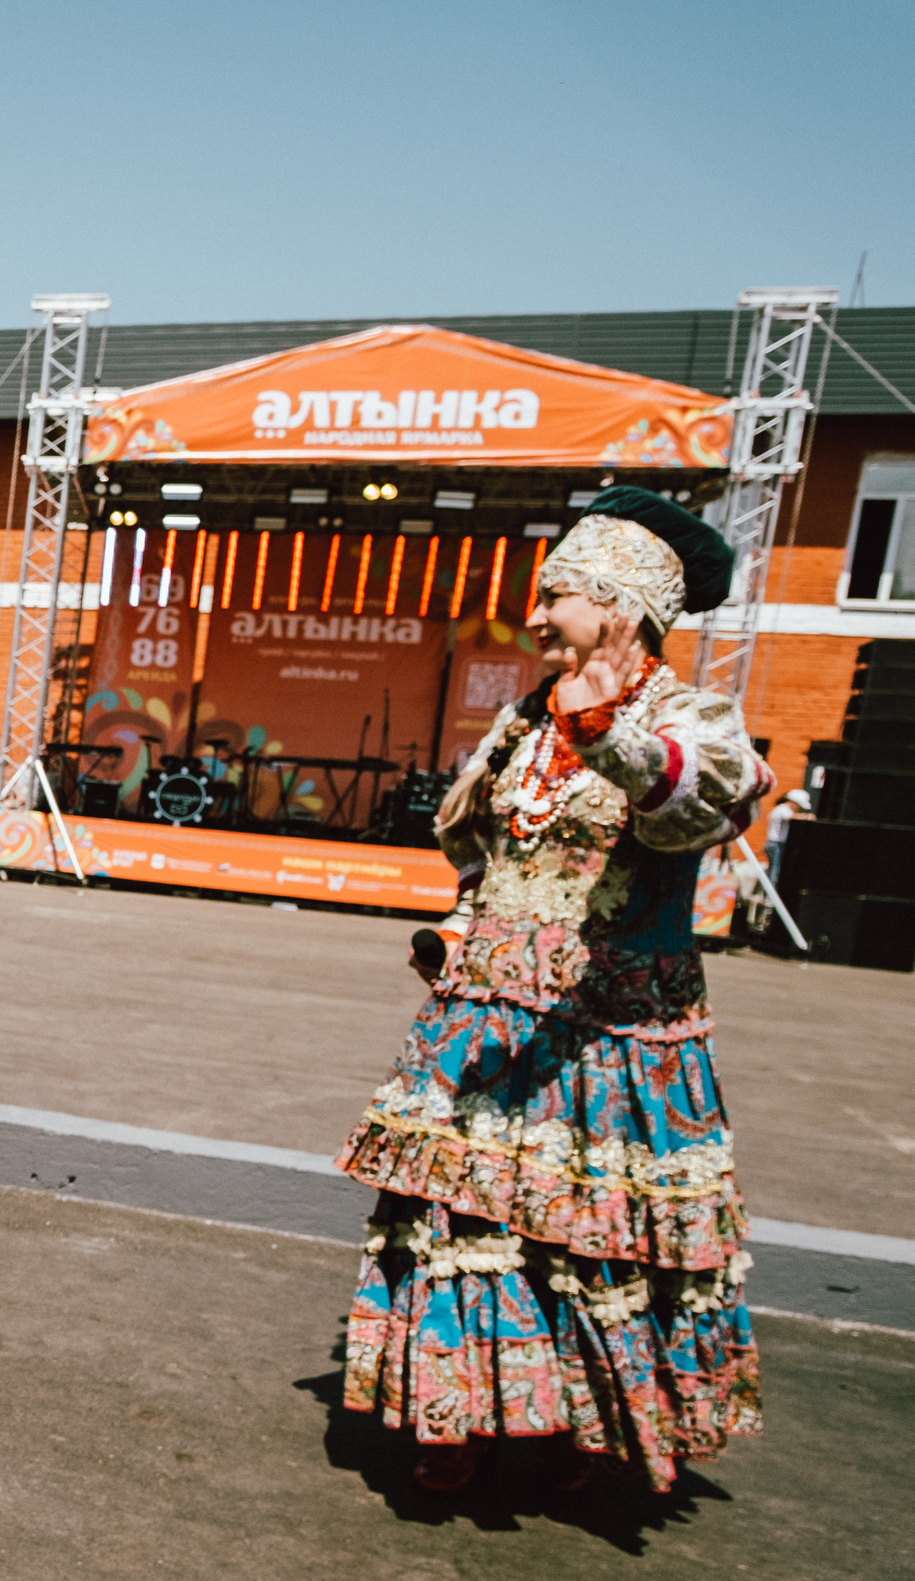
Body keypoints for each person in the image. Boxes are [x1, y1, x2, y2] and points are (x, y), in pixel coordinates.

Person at [338, 484, 775, 1494]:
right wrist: (459, 925)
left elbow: (686, 809)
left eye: (555, 595)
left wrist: (605, 731)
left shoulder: (693, 718)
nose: (534, 617)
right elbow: (485, 845)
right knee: (458, 1218)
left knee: (584, 1233)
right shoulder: (524, 719)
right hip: (483, 1018)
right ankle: (456, 1410)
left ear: (618, 608)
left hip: (606, 1033)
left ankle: (571, 1424)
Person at [764, 787, 811, 888]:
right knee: (775, 872)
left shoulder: (781, 809)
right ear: (794, 802)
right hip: (776, 844)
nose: (798, 808)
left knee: (773, 870)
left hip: (775, 843)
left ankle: (767, 894)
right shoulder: (783, 809)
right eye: (798, 805)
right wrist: (807, 817)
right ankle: (769, 897)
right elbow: (791, 817)